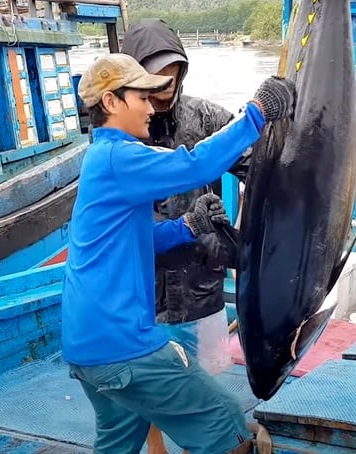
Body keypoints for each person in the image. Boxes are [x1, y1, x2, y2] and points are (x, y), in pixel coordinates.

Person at [62, 52, 295, 454]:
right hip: (123, 345)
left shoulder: (102, 160)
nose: (152, 108)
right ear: (112, 103)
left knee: (118, 442)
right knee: (227, 425)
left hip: (86, 346)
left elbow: (138, 241)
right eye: (142, 98)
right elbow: (195, 165)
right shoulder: (121, 156)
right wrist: (257, 112)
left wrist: (188, 226)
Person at [119, 21, 253, 453]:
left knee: (204, 386)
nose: (165, 86)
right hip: (146, 289)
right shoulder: (123, 131)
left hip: (200, 279)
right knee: (148, 386)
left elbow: (257, 164)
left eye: (172, 73)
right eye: (153, 77)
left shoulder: (207, 117)